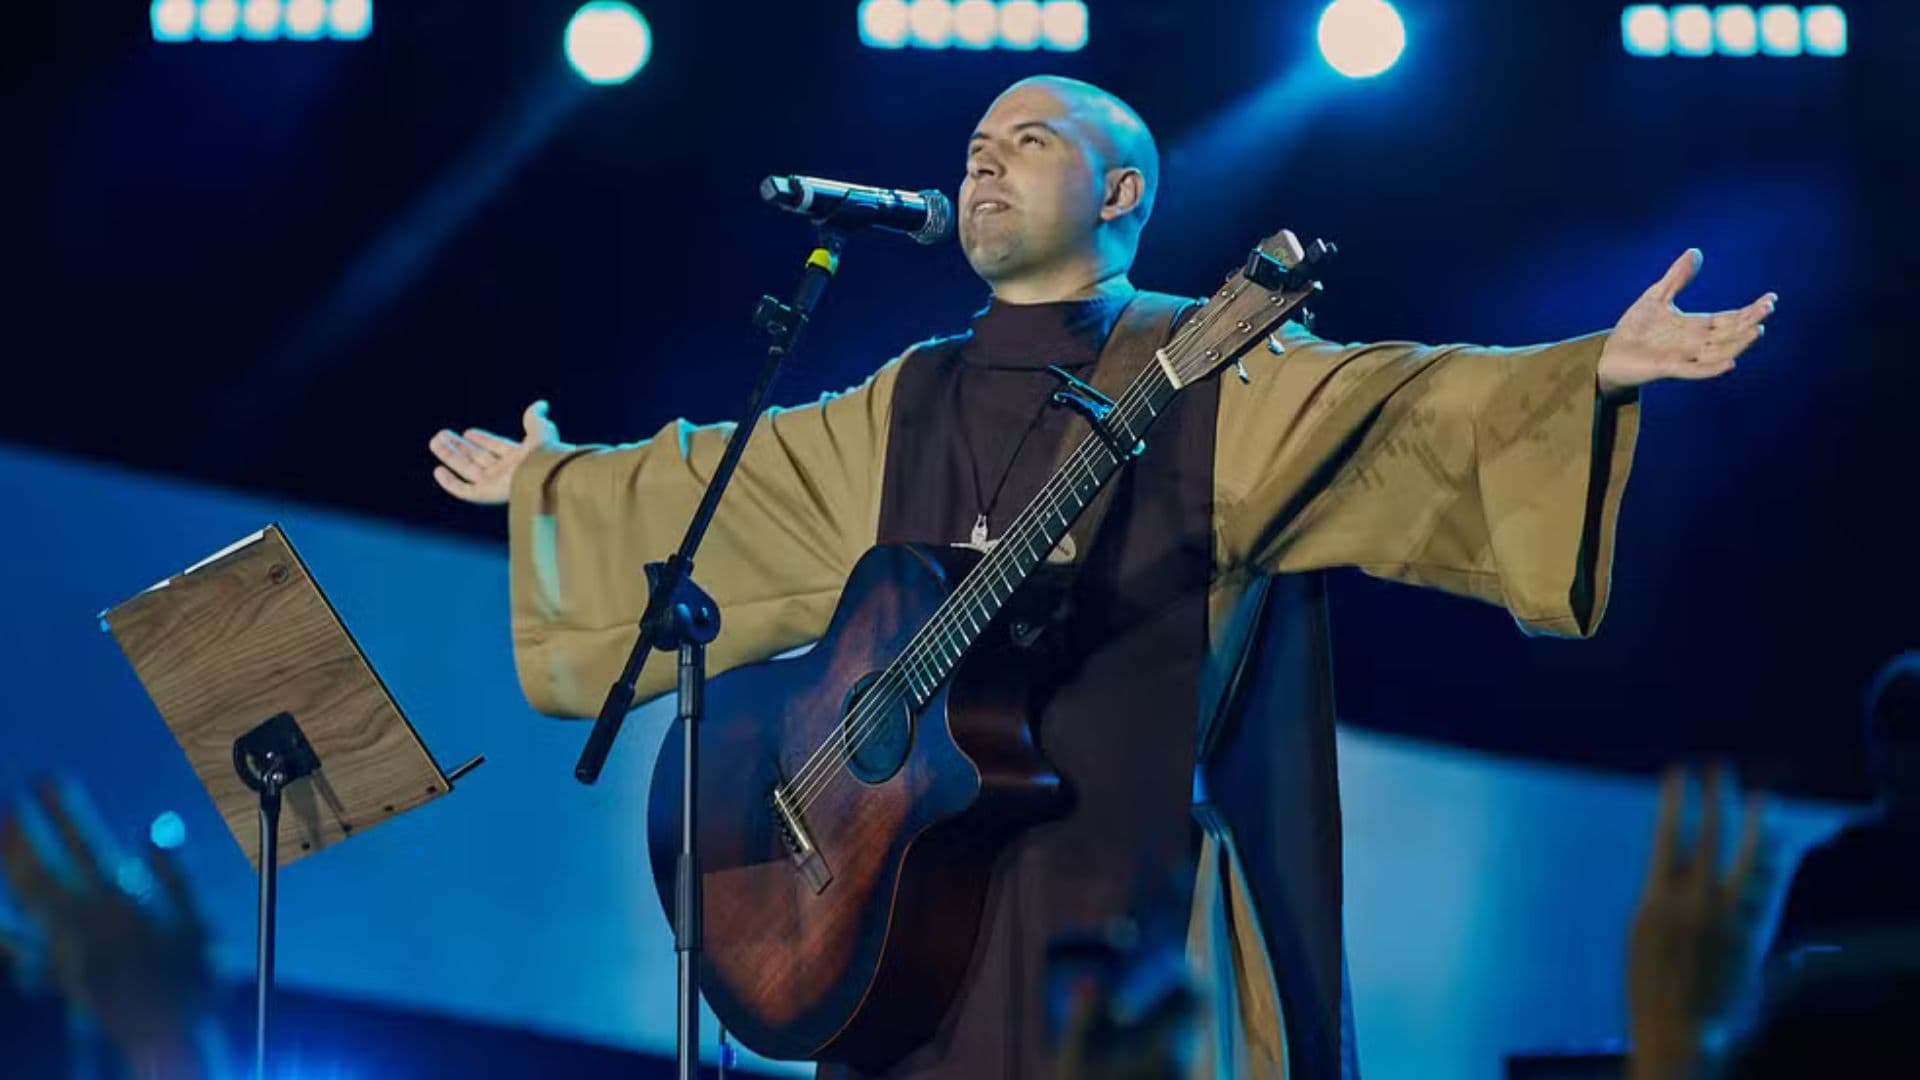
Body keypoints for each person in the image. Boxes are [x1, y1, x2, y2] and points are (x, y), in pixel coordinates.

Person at [429, 75, 1777, 1078]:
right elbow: (730, 484)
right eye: (971, 149)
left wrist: (1589, 368)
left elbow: (1400, 407)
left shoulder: (1209, 369)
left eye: (1028, 142)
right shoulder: (909, 400)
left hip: (1118, 940)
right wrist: (558, 485)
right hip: (893, 941)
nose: (984, 164)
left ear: (1121, 194)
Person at [1768, 652, 1920, 963]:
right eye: (1902, 731)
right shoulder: (1826, 871)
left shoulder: (1826, 869)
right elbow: (1782, 987)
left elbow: (1779, 987)